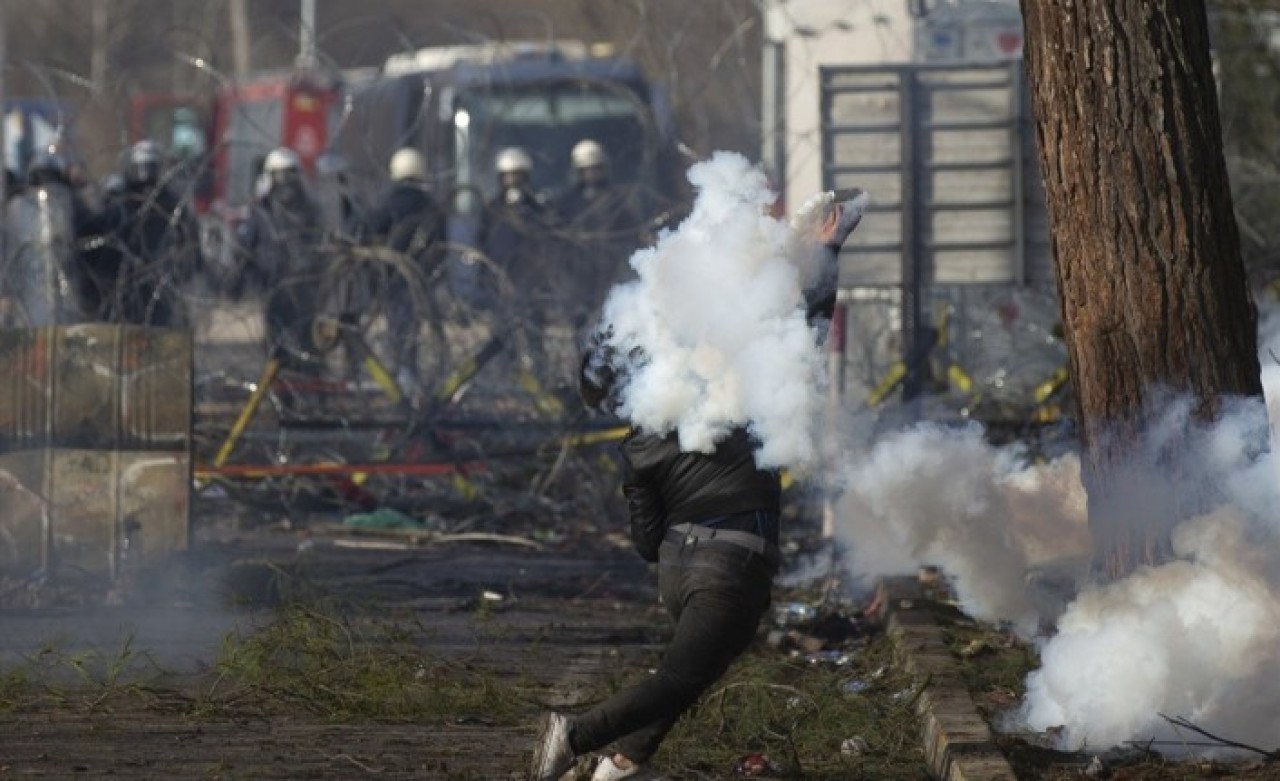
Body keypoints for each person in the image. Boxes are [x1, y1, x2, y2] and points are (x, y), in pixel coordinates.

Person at [528, 189, 868, 781]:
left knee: (687, 673)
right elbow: (802, 336)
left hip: (677, 574)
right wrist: (827, 254)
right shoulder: (728, 394)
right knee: (682, 677)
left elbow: (643, 540)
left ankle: (622, 763)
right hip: (730, 564)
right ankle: (575, 733)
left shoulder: (639, 442)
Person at [362, 146, 447, 387]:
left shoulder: (390, 202)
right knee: (421, 327)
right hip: (421, 277)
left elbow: (370, 228)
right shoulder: (430, 204)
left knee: (398, 327)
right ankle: (416, 374)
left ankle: (402, 373)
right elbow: (441, 245)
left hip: (393, 277)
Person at [235, 146, 326, 370]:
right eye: (282, 175)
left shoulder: (305, 210)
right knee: (288, 344)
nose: (286, 182)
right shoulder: (264, 210)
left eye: (289, 175)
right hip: (280, 286)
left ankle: (297, 389)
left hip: (294, 286)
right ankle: (287, 391)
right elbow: (246, 248)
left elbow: (245, 249)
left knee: (300, 344)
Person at [96, 139, 203, 326]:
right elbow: (103, 244)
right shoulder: (124, 203)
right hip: (130, 285)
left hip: (157, 285)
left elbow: (191, 246)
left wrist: (179, 273)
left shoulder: (169, 204)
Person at [552, 139, 644, 319]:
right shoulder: (566, 203)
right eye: (586, 170)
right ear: (578, 172)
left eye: (595, 169)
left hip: (609, 268)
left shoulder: (616, 199)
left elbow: (631, 232)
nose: (591, 174)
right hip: (578, 273)